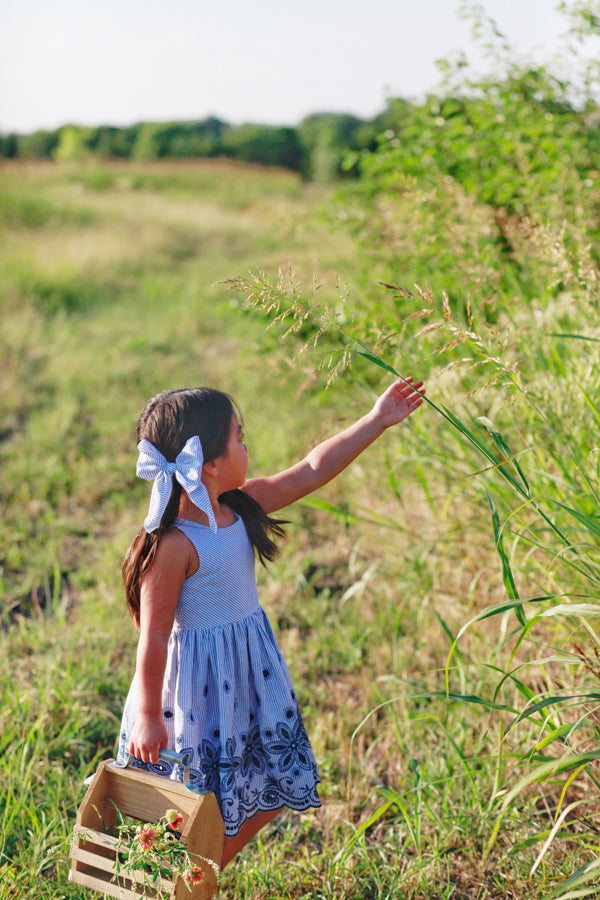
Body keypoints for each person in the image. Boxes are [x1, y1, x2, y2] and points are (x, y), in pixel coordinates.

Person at [116, 378, 424, 871]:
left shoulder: (239, 506)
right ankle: (192, 875)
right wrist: (150, 714)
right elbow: (152, 636)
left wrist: (375, 420)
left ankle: (198, 871)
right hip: (196, 695)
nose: (247, 446)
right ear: (208, 465)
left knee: (268, 787)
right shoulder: (173, 545)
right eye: (240, 438)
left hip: (245, 679)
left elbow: (312, 469)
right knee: (195, 804)